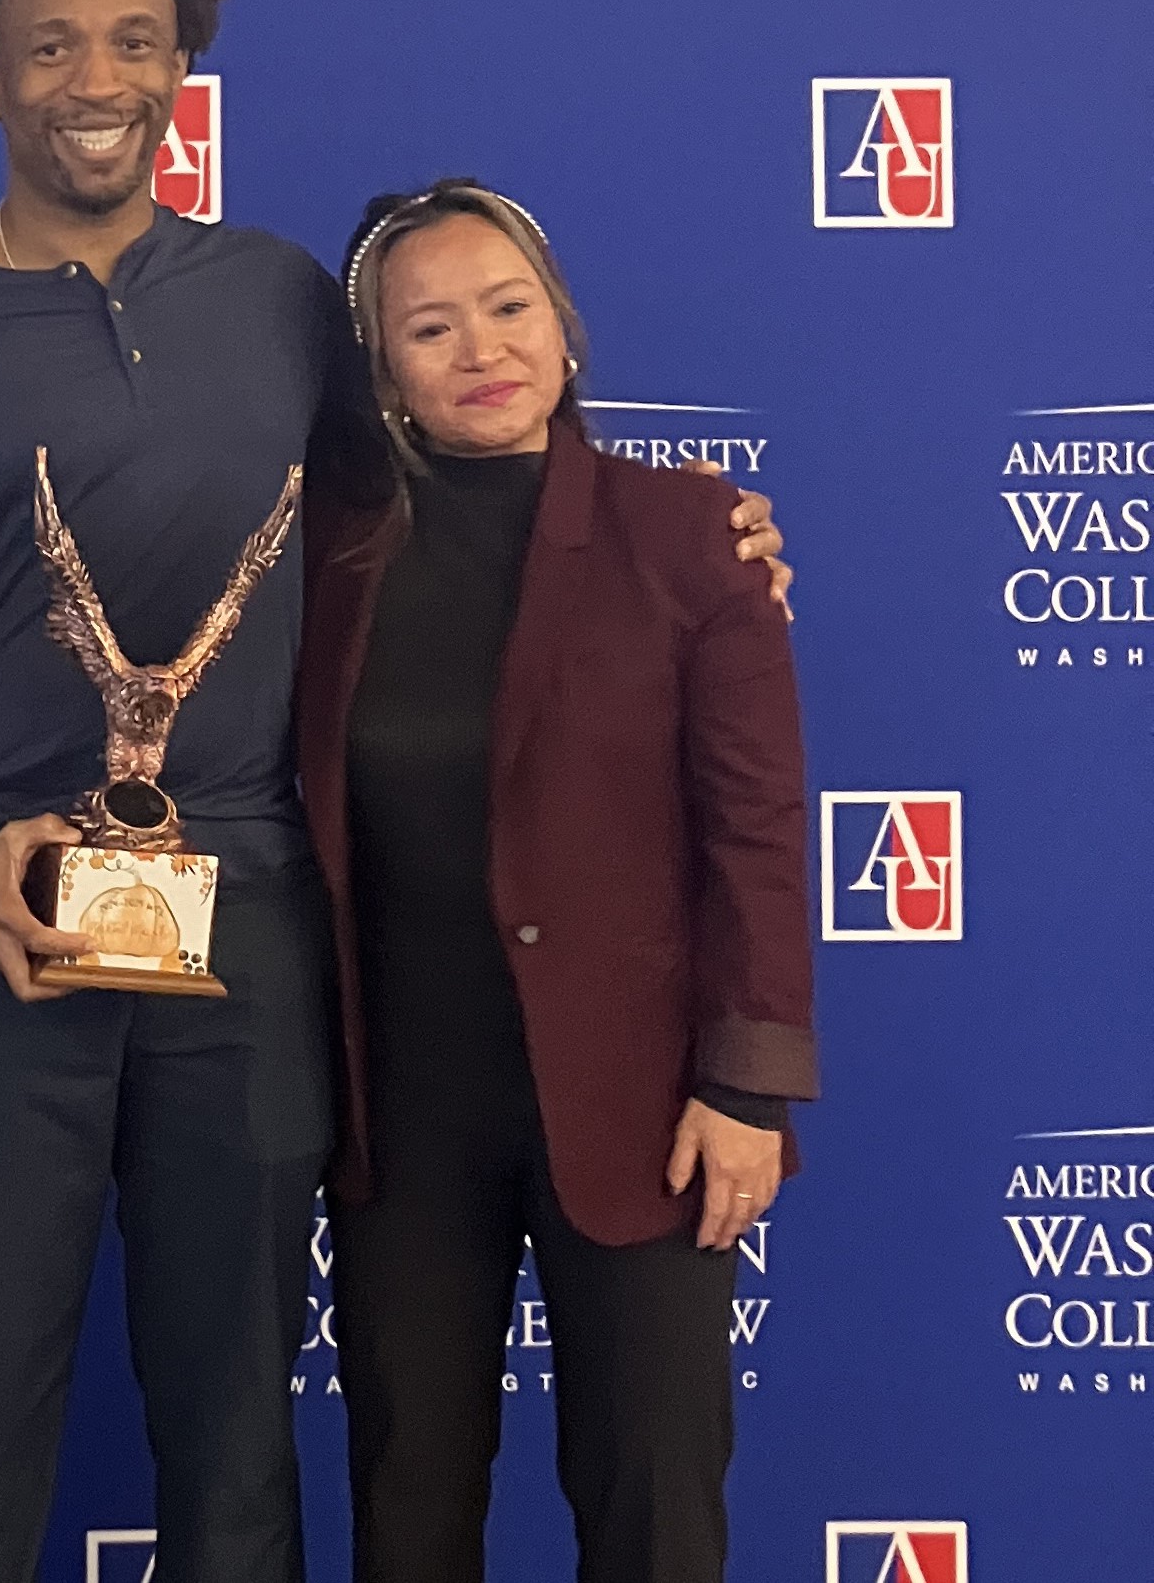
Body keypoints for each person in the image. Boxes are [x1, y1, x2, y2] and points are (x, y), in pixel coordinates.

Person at [0, 0, 787, 1583]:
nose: (102, 81)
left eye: (139, 42)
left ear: (183, 67)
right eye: (56, 45)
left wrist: (710, 542)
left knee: (242, 1432)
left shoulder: (292, 304)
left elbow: (472, 501)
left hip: (258, 933)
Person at [299, 181, 816, 1583]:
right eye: (431, 328)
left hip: (646, 1110)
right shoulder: (322, 563)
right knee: (408, 1509)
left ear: (566, 327)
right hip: (403, 1123)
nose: (483, 351)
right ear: (383, 374)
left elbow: (760, 830)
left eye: (510, 307)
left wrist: (748, 1084)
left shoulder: (695, 537)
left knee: (652, 1506)